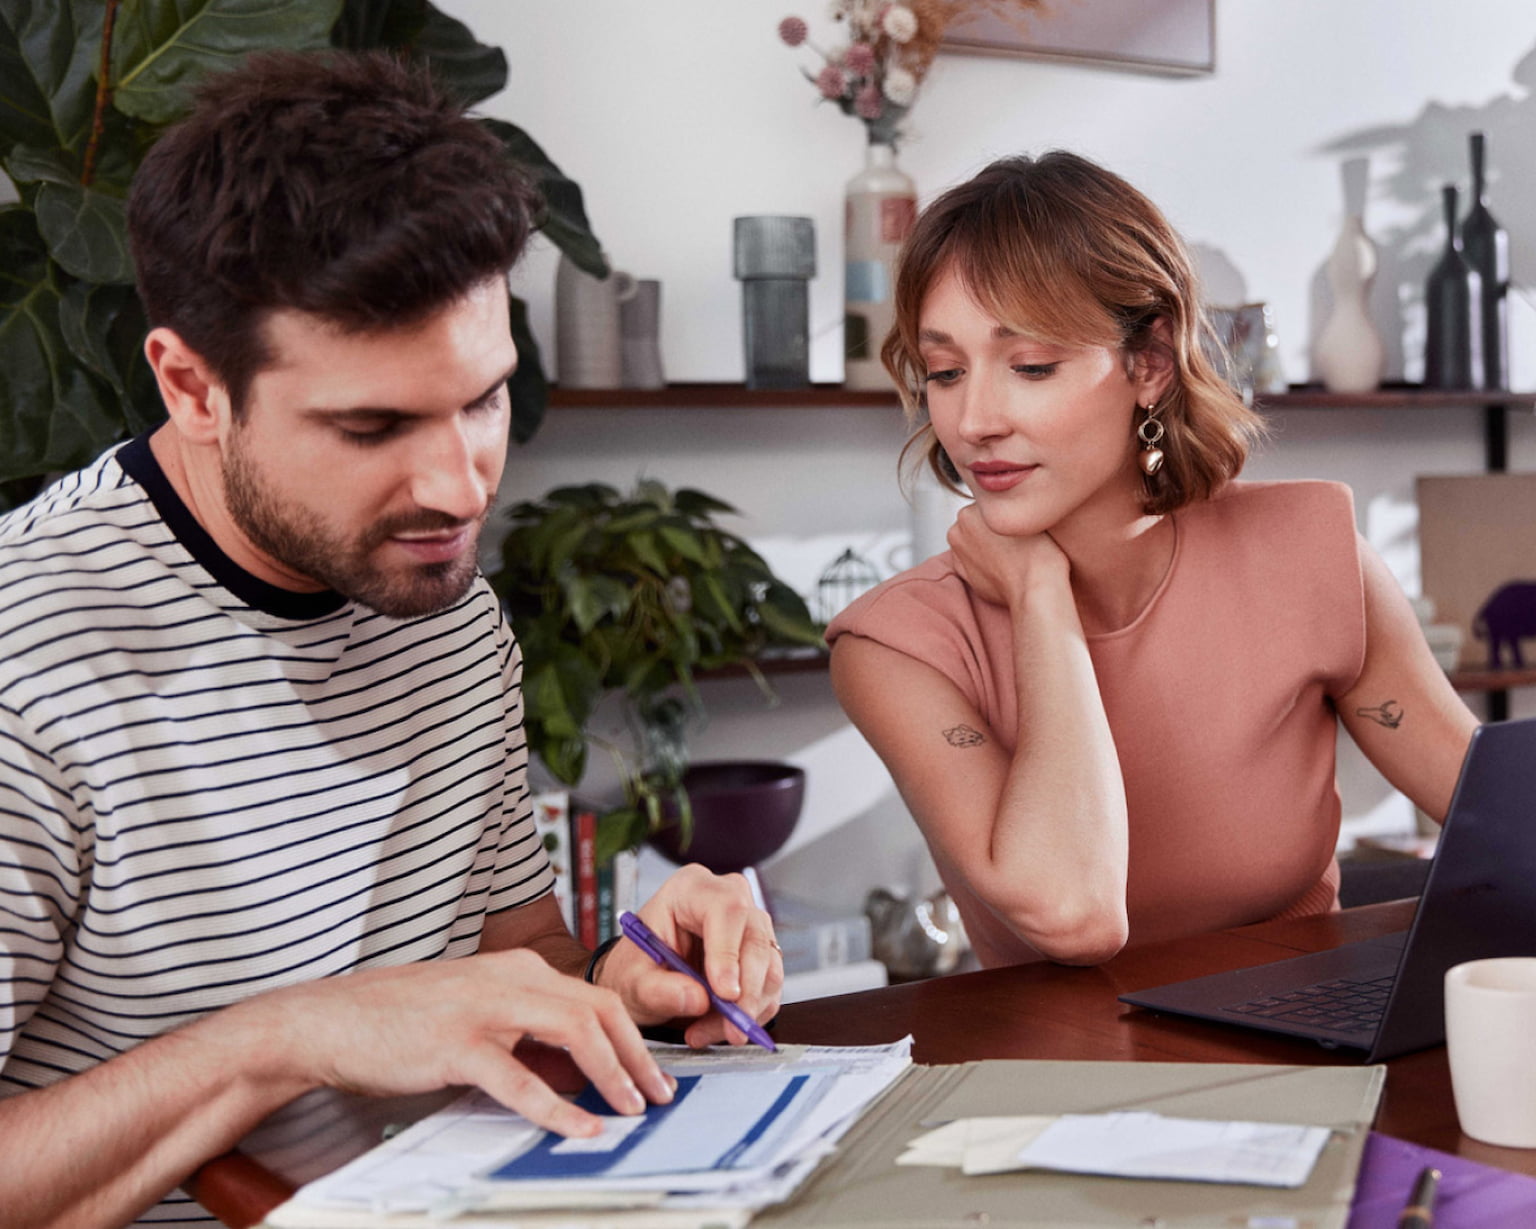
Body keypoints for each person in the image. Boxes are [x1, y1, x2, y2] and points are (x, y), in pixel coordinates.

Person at [0, 52, 781, 1229]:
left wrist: (621, 980)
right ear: (192, 386)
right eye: (373, 424)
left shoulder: (442, 603)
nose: (459, 484)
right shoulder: (29, 660)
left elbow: (512, 954)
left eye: (484, 398)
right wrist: (294, 1036)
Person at [827, 151, 1479, 970]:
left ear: (1150, 363)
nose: (975, 419)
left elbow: (1500, 824)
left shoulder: (1310, 557)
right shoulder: (895, 647)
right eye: (947, 372)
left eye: (1030, 366)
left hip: (1320, 1060)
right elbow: (1074, 912)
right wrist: (1039, 595)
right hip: (1059, 1083)